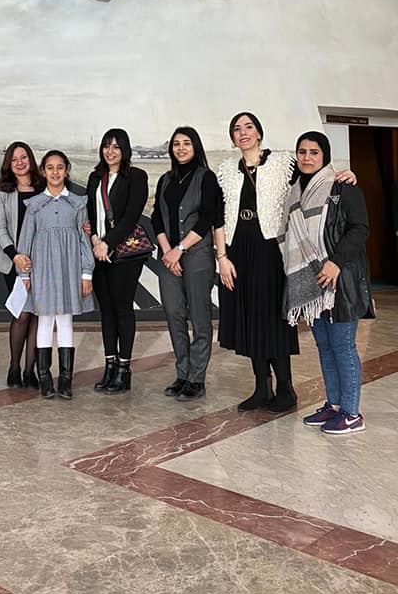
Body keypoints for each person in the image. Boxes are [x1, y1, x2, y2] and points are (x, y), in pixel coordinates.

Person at [215, 112, 355, 413]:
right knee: (249, 318)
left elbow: (312, 177)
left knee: (273, 319)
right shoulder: (226, 170)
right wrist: (222, 257)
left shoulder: (282, 163)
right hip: (239, 251)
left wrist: (343, 175)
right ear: (232, 138)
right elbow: (218, 216)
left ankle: (285, 389)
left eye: (249, 127)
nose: (243, 133)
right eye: (237, 129)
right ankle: (261, 388)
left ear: (259, 133)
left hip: (272, 251)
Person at [279, 132, 371, 434]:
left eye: (314, 152)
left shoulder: (342, 187)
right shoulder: (294, 192)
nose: (307, 157)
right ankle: (334, 405)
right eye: (302, 151)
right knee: (325, 346)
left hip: (340, 281)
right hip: (311, 284)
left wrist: (335, 262)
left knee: (342, 346)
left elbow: (359, 229)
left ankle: (352, 413)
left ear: (325, 156)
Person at [17, 150, 94, 400]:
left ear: (67, 170)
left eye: (60, 167)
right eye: (50, 167)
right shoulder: (35, 205)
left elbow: (83, 240)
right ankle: (44, 377)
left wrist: (86, 273)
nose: (55, 172)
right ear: (43, 171)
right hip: (42, 270)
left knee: (65, 320)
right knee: (45, 320)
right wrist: (24, 275)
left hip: (69, 269)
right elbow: (25, 241)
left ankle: (66, 379)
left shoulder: (77, 203)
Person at [151, 127, 220, 401]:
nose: (181, 148)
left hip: (197, 256)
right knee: (174, 314)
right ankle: (182, 373)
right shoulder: (165, 180)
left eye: (186, 143)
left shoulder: (206, 177)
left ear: (195, 147)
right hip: (169, 257)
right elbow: (157, 217)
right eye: (176, 144)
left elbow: (207, 218)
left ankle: (197, 378)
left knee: (200, 317)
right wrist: (168, 251)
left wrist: (179, 249)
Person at [86, 128, 148, 394]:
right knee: (107, 310)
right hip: (98, 251)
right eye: (106, 146)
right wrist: (95, 240)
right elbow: (90, 214)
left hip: (124, 254)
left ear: (125, 150)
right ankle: (109, 365)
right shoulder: (95, 177)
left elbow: (132, 216)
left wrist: (107, 243)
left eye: (116, 146)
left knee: (123, 308)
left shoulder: (136, 176)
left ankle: (124, 369)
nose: (110, 151)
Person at [0, 142, 44, 388]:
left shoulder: (44, 189)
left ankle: (30, 371)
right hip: (14, 261)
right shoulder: (1, 193)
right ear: (8, 165)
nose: (20, 162)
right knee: (22, 313)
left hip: (42, 261)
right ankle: (14, 367)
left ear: (30, 160)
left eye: (24, 157)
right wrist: (15, 256)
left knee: (36, 315)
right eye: (14, 159)